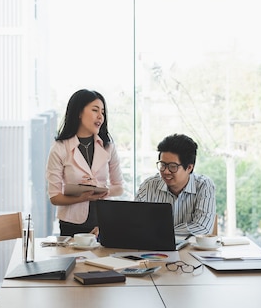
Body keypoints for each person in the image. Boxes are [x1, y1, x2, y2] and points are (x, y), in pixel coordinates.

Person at [46, 89, 124, 236]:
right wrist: (82, 197)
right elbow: (54, 197)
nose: (100, 116)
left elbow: (119, 188)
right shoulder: (60, 148)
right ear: (79, 113)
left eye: (102, 112)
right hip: (71, 224)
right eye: (95, 110)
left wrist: (100, 189)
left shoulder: (108, 147)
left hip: (103, 222)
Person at [135, 133, 216, 236]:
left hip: (189, 250)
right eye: (163, 165)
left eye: (173, 167)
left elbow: (202, 227)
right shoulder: (149, 185)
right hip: (154, 249)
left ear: (189, 168)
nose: (166, 171)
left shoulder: (204, 186)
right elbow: (136, 222)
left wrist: (160, 232)